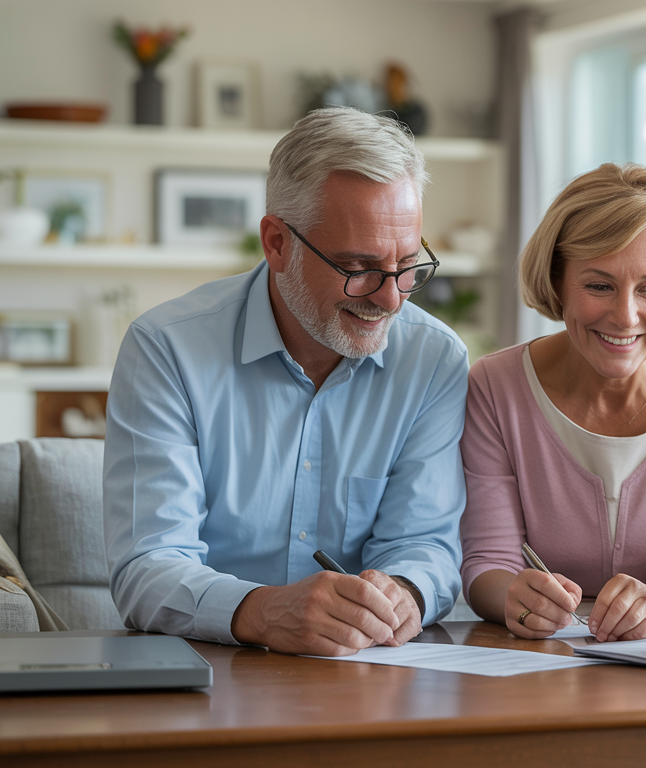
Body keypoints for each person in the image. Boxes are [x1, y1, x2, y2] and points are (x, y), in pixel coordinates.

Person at [103, 107, 469, 657]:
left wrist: (405, 593)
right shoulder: (167, 348)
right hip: (208, 670)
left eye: (408, 265)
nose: (391, 298)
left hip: (369, 668)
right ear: (276, 243)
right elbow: (148, 565)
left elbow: (424, 544)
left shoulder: (435, 359)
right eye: (358, 267)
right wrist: (266, 611)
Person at [460, 163, 646, 643]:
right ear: (558, 281)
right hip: (537, 661)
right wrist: (515, 595)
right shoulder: (496, 386)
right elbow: (486, 565)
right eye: (599, 285)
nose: (625, 315)